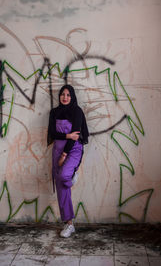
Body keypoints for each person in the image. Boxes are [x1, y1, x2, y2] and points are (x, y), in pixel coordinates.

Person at [47, 84, 89, 238]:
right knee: (61, 188)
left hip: (73, 150)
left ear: (72, 97)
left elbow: (76, 136)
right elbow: (52, 133)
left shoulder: (77, 111)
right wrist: (66, 136)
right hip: (57, 151)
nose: (65, 97)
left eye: (68, 95)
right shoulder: (54, 112)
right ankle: (69, 224)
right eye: (62, 94)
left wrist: (64, 155)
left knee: (65, 176)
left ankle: (73, 174)